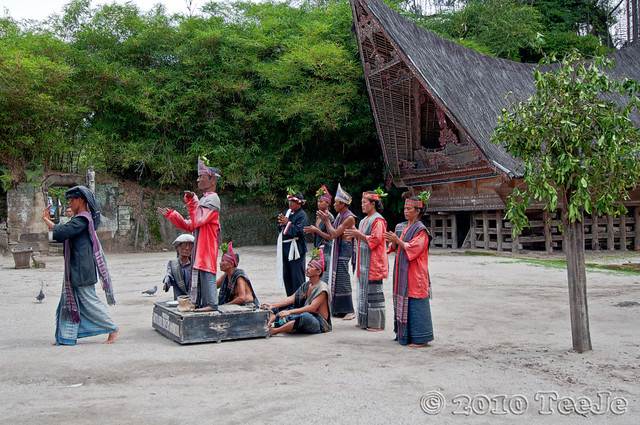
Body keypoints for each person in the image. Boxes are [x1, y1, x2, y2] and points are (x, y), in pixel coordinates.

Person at [42, 185, 118, 345]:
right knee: (69, 302)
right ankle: (66, 336)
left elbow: (63, 232)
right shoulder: (80, 219)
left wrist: (47, 221)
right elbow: (65, 230)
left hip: (82, 268)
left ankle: (112, 328)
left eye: (71, 200)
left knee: (89, 300)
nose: (69, 203)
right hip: (77, 267)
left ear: (80, 200)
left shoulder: (83, 219)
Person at [157, 158, 221, 312]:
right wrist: (172, 215)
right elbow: (190, 225)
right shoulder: (206, 199)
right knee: (201, 273)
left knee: (208, 272)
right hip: (201, 245)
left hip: (207, 245)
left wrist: (193, 201)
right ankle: (203, 303)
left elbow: (198, 220)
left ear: (212, 180)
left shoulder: (213, 198)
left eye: (202, 177)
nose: (198, 180)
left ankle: (211, 304)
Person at [384, 193, 434, 347]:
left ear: (417, 211)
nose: (405, 211)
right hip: (401, 272)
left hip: (415, 272)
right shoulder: (401, 226)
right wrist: (393, 242)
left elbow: (414, 249)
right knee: (402, 300)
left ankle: (421, 338)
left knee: (416, 303)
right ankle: (403, 335)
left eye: (409, 209)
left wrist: (398, 241)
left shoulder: (421, 230)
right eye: (405, 208)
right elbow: (393, 248)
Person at [344, 190, 388, 332]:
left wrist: (358, 234)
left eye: (365, 202)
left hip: (373, 262)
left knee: (374, 292)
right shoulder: (364, 220)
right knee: (363, 291)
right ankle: (364, 321)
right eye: (362, 202)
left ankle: (377, 324)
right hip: (363, 262)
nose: (362, 205)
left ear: (373, 204)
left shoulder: (378, 220)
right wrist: (355, 235)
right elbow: (363, 238)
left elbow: (375, 240)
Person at [263, 249, 331, 336]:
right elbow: (292, 298)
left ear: (318, 272)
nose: (307, 268)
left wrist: (290, 312)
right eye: (308, 265)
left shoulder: (322, 287)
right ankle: (267, 325)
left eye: (311, 267)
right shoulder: (307, 285)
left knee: (304, 317)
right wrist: (273, 305)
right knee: (280, 308)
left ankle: (275, 331)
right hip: (307, 314)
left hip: (319, 323)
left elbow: (312, 308)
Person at [317, 184, 356, 320]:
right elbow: (330, 234)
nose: (333, 205)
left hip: (344, 248)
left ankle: (350, 310)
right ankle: (339, 309)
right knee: (337, 279)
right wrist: (323, 223)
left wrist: (327, 220)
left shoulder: (349, 217)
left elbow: (333, 234)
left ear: (342, 204)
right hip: (339, 247)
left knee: (343, 278)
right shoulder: (340, 216)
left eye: (335, 203)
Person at [276, 190, 310, 296]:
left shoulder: (302, 215)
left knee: (297, 276)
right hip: (286, 249)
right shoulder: (288, 212)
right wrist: (281, 224)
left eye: (293, 201)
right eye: (289, 200)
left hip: (297, 249)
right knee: (288, 276)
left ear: (299, 203)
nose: (290, 203)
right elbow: (280, 229)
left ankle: (300, 302)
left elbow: (300, 231)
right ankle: (290, 300)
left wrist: (287, 223)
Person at [303, 185, 334, 283]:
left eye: (321, 201)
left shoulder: (330, 218)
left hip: (326, 250)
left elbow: (331, 237)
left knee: (324, 278)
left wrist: (316, 230)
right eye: (318, 201)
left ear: (327, 203)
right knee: (315, 278)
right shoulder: (318, 216)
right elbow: (318, 236)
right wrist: (313, 231)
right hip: (317, 249)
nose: (318, 204)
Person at [217, 242, 259, 307]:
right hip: (234, 306)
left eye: (223, 261)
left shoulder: (239, 276)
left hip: (247, 305)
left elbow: (242, 298)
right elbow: (213, 287)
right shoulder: (225, 276)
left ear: (231, 264)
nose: (220, 263)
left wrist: (225, 306)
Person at [162, 234, 194, 300]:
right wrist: (166, 282)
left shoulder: (195, 265)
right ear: (178, 247)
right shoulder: (173, 263)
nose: (187, 248)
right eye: (184, 245)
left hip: (193, 300)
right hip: (179, 300)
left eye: (190, 245)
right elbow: (169, 274)